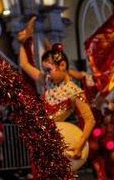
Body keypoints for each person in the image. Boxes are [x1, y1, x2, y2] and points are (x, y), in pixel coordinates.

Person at [17, 19, 95, 162]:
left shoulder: (75, 92)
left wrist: (79, 145)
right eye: (45, 70)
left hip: (57, 144)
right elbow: (25, 64)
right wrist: (23, 43)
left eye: (49, 70)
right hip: (42, 140)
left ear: (63, 65)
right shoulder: (47, 81)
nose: (46, 74)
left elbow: (90, 120)